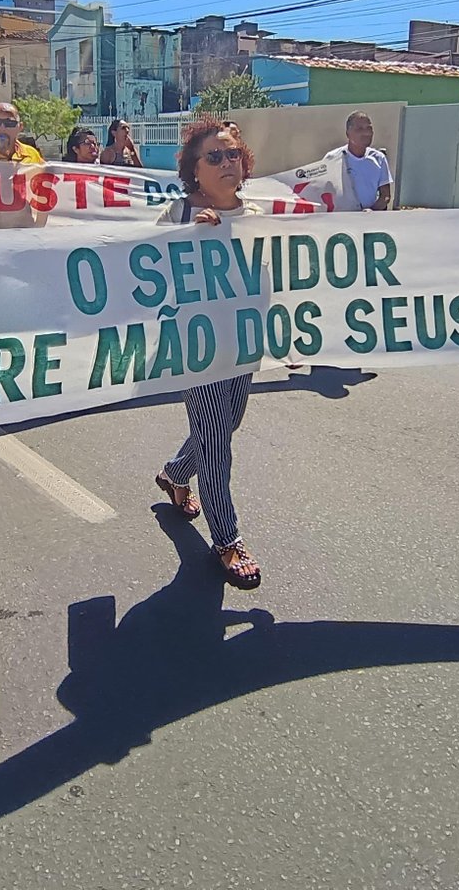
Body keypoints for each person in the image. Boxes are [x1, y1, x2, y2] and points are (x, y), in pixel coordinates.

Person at [152, 116, 263, 590]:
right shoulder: (178, 215)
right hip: (196, 347)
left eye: (232, 153)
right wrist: (188, 241)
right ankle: (226, 540)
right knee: (217, 441)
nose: (226, 162)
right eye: (213, 157)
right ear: (194, 169)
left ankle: (176, 473)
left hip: (243, 342)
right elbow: (145, 274)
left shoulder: (256, 215)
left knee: (224, 425)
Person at [326, 110, 393, 211]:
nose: (366, 133)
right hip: (341, 218)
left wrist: (371, 211)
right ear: (348, 134)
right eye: (359, 129)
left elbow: (385, 196)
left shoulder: (379, 158)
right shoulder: (332, 158)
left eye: (369, 128)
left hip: (369, 218)